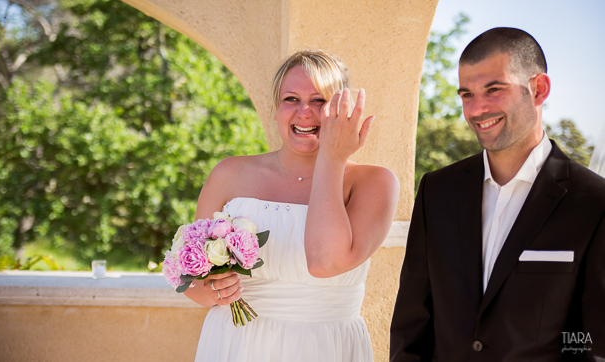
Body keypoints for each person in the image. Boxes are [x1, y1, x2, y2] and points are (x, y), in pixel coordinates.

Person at [390, 28, 605, 361]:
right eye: (466, 94)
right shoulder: (437, 192)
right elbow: (411, 325)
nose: (477, 109)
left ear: (538, 89)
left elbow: (589, 342)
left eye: (493, 89)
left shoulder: (594, 202)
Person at [184, 50, 400, 362]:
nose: (304, 112)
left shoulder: (375, 183)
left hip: (325, 348)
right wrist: (214, 291)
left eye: (319, 100)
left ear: (344, 111)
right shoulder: (229, 174)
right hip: (237, 345)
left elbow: (325, 262)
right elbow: (191, 280)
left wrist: (332, 156)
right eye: (291, 99)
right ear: (275, 108)